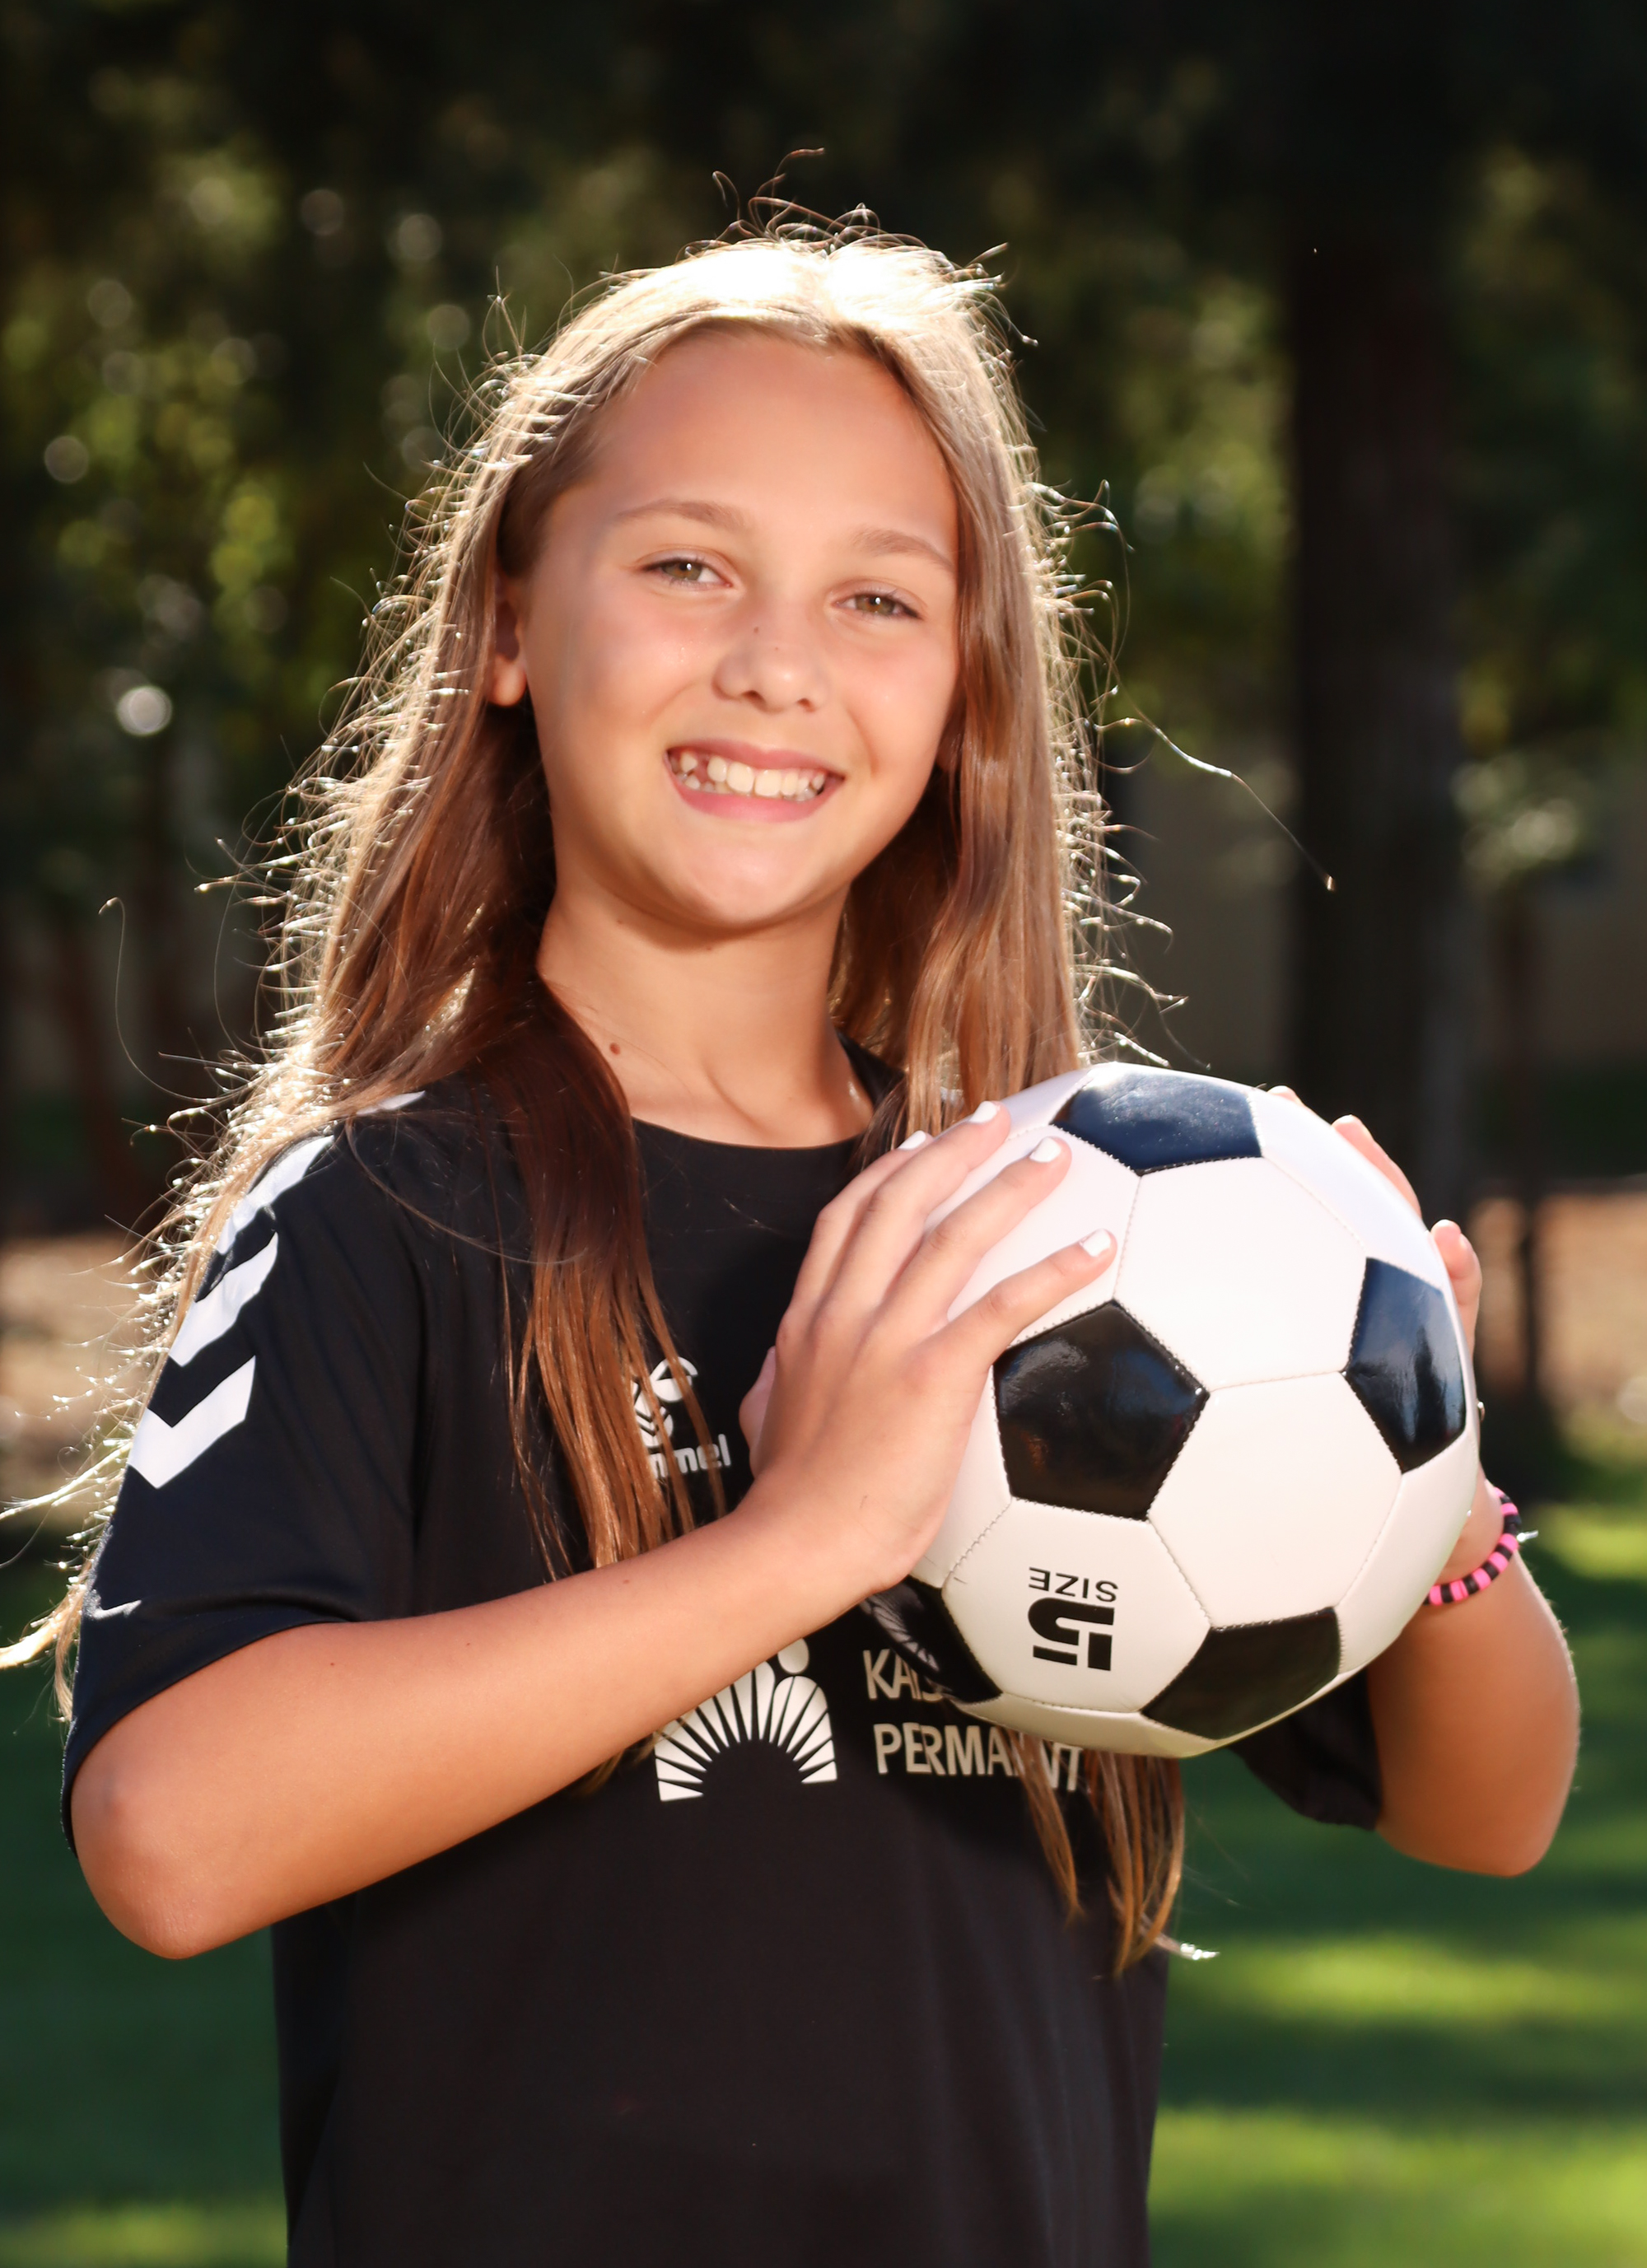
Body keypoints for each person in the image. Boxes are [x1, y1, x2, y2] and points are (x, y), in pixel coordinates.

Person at [23, 226, 1577, 2267]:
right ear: (507, 623)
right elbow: (169, 1833)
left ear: (964, 692)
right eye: (688, 564)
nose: (776, 662)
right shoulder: (384, 1210)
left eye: (878, 597)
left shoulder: (1058, 1232)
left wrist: (1422, 1473)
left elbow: (1487, 1809)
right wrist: (801, 1540)